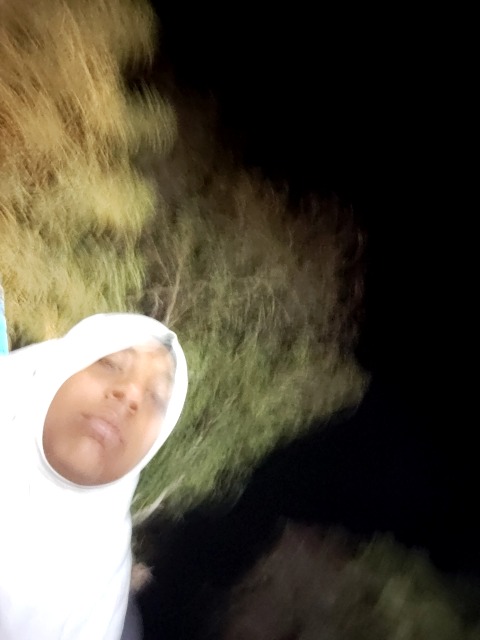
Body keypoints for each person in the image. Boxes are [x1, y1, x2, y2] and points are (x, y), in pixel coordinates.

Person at [0, 312, 188, 639]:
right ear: (55, 370)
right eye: (110, 363)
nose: (131, 394)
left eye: (157, 397)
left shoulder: (100, 610)